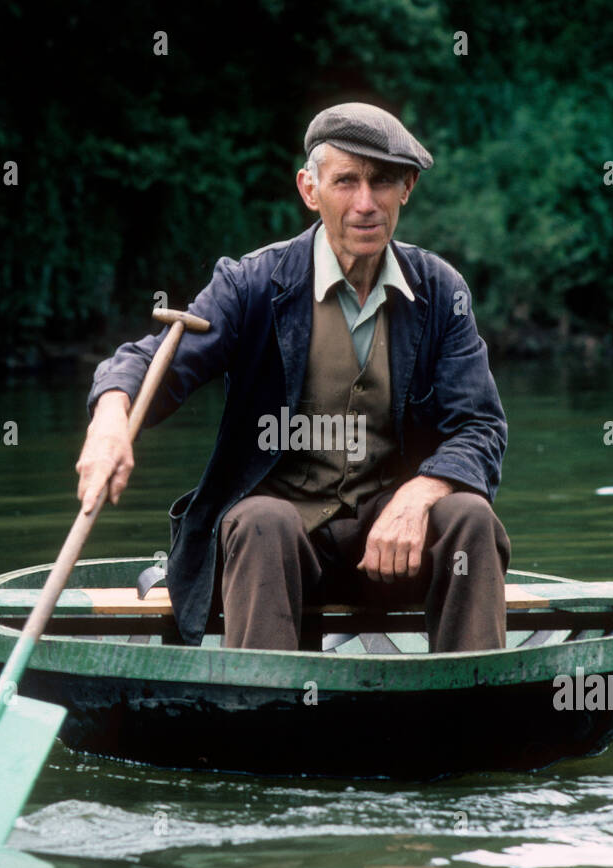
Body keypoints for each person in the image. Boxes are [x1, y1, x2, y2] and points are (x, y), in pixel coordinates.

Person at [77, 102, 510, 652]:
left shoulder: (439, 290)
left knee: (469, 516)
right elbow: (153, 361)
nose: (365, 203)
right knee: (262, 522)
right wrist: (111, 420)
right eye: (346, 181)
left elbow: (480, 427)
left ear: (408, 188)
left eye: (382, 182)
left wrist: (419, 493)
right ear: (310, 189)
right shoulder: (251, 285)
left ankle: (471, 710)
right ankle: (265, 713)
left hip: (393, 549)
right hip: (277, 550)